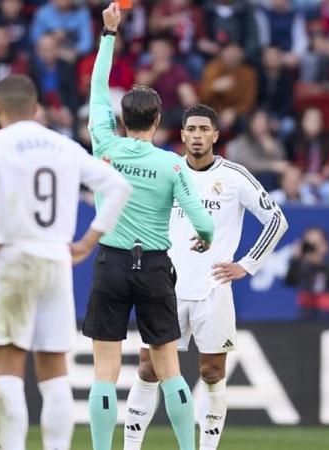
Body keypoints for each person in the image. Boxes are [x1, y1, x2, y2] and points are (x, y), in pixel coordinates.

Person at [0, 75, 132, 450]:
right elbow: (118, 186)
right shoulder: (63, 146)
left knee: (7, 364)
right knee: (54, 371)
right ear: (36, 109)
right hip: (55, 258)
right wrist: (89, 240)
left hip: (12, 255)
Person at [83, 5, 215, 450]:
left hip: (111, 263)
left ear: (123, 120)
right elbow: (200, 219)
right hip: (155, 267)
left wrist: (108, 33)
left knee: (105, 369)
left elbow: (98, 88)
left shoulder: (106, 145)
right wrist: (207, 237)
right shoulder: (172, 165)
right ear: (158, 122)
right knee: (169, 369)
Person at [122, 104, 289, 450]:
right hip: (164, 286)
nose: (197, 136)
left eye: (204, 129)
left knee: (212, 372)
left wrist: (247, 263)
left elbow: (276, 220)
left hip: (213, 289)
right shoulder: (165, 170)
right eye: (191, 130)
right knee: (148, 369)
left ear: (215, 135)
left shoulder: (234, 176)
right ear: (181, 135)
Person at [286, 227, 329, 320]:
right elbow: (290, 281)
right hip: (306, 312)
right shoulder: (302, 263)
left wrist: (319, 262)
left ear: (325, 245)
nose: (312, 248)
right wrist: (295, 260)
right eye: (308, 244)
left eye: (316, 244)